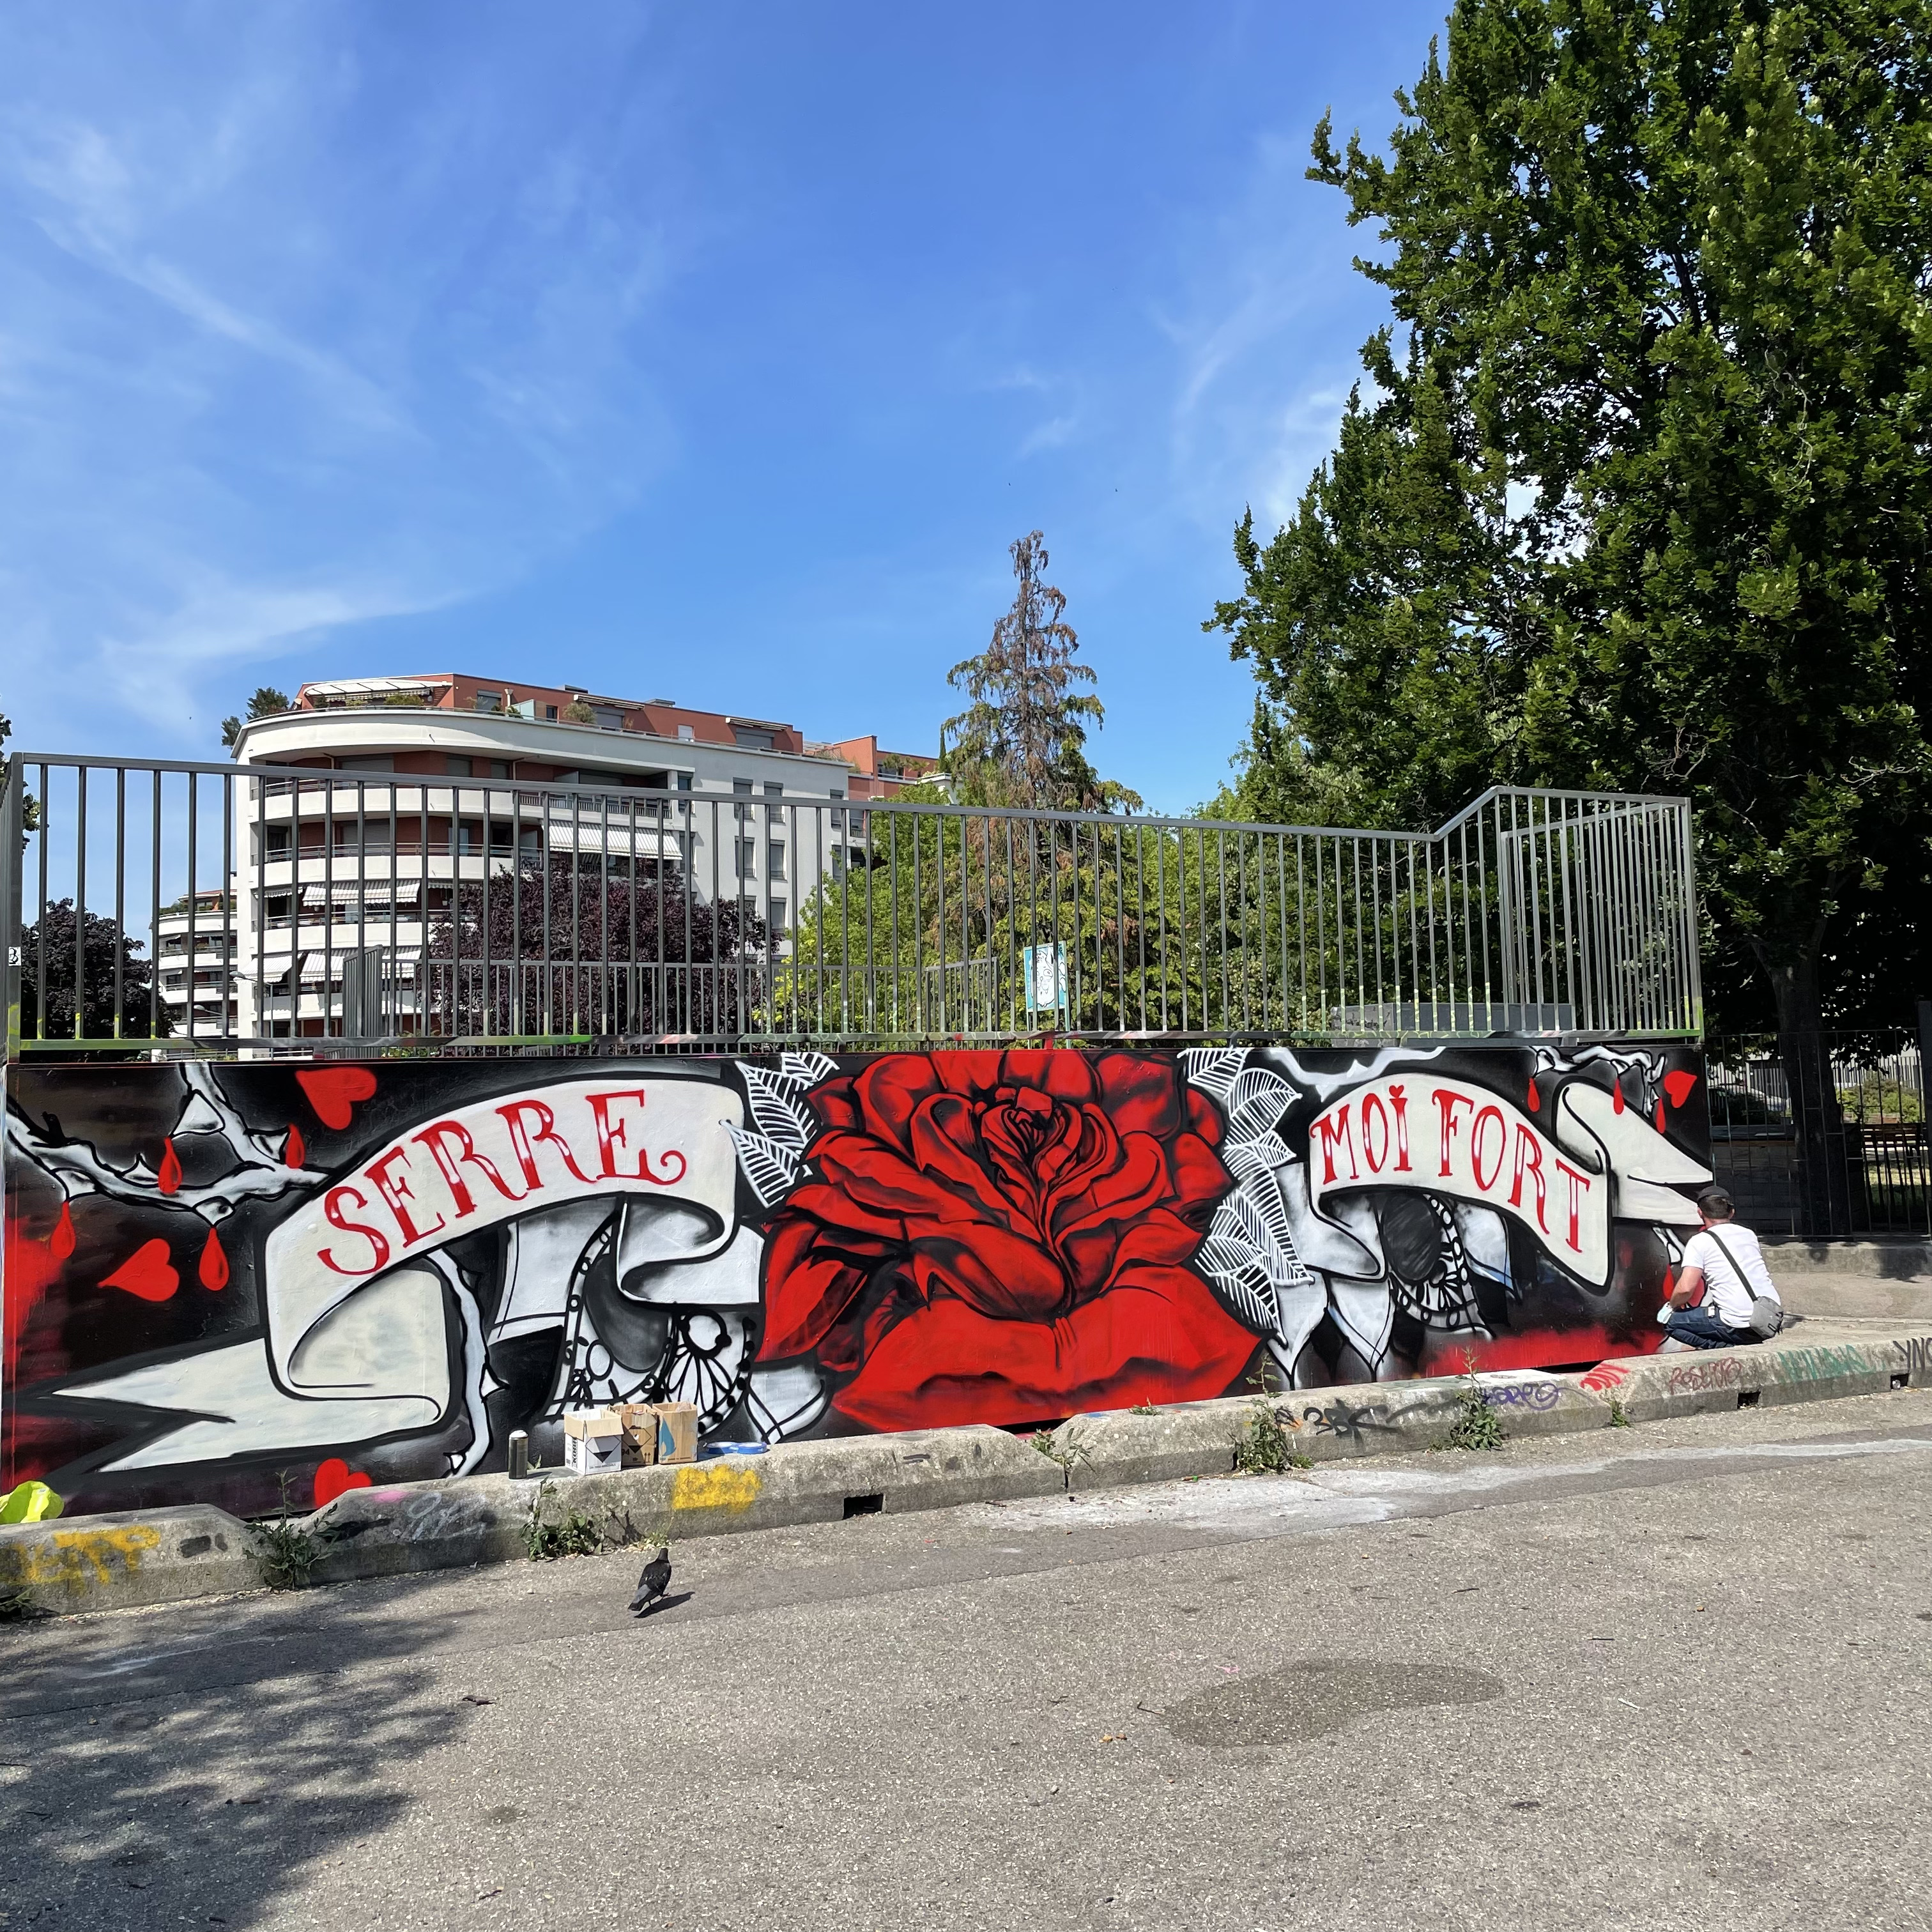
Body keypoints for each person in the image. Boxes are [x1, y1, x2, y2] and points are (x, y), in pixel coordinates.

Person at [1656, 1185, 1783, 1351]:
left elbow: (1685, 1289)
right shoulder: (1749, 1234)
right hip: (1768, 1318)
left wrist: (1670, 1307)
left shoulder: (1699, 1241)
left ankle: (1726, 1348)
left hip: (1737, 1323)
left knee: (1671, 1323)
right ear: (1732, 1213)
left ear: (1700, 1213)